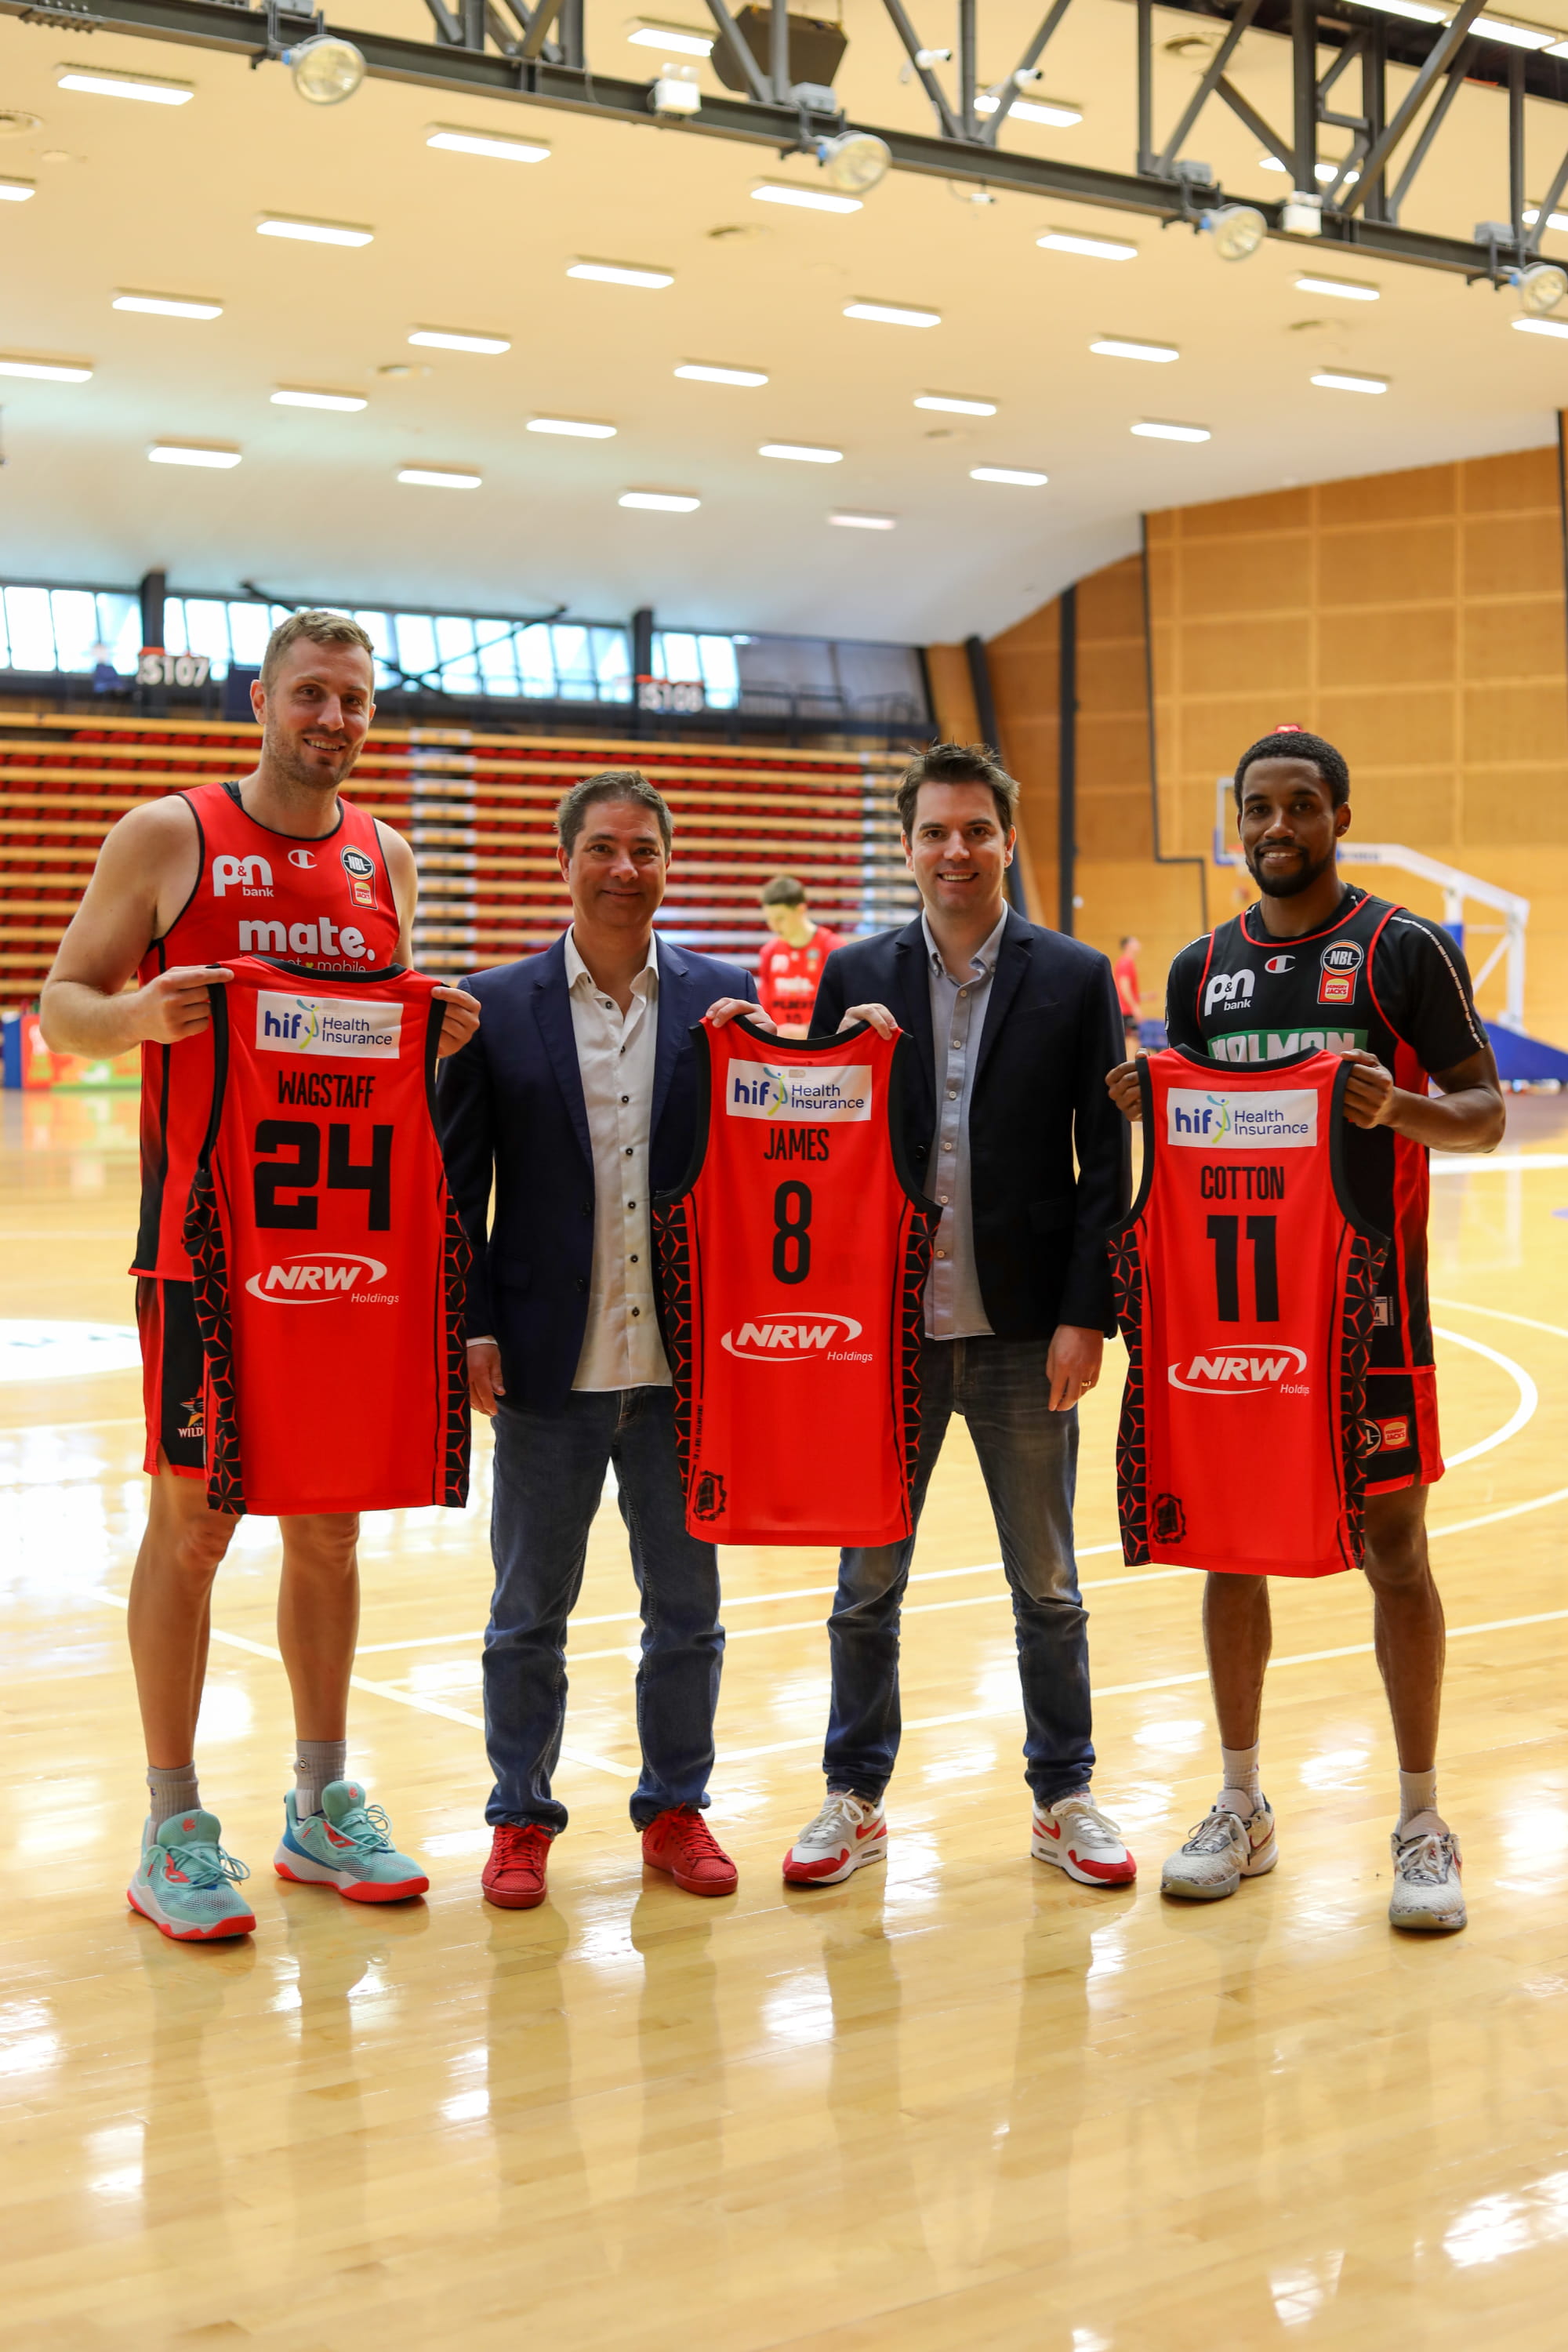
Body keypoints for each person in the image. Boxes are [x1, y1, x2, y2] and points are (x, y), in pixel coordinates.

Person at [39, 610, 481, 1940]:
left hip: (346, 1257)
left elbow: (370, 1047)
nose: (334, 720)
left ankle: (320, 1803)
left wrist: (438, 1029)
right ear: (261, 700)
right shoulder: (168, 835)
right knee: (192, 1527)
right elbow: (61, 1001)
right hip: (203, 1252)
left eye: (354, 701)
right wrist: (133, 1015)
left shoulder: (384, 857)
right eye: (311, 696)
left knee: (332, 1525)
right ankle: (171, 1823)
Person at [1107, 725, 1504, 1933]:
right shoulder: (1199, 970)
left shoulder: (1404, 951)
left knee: (1397, 1552)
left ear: (1338, 815)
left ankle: (1423, 1820)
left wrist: (1409, 1109)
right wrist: (1147, 1099)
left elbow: (1485, 1114)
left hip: (1375, 1315)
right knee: (1231, 1542)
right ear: (1236, 821)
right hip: (1242, 1315)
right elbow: (1197, 1131)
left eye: (1299, 806)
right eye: (1256, 808)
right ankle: (1242, 1803)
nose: (1275, 827)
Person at [780, 741, 1137, 1890]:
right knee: (864, 1584)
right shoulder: (852, 972)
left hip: (1030, 1328)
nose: (956, 851)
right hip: (887, 1340)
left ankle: (1064, 1791)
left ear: (1006, 840)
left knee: (1047, 1582)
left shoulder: (1077, 977)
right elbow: (823, 1150)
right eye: (934, 832)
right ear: (907, 847)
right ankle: (853, 1794)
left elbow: (1104, 1161)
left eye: (976, 830)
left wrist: (1089, 1311)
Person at [437, 769, 760, 1912]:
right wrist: (469, 1322)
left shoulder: (730, 997)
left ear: (670, 864)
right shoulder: (495, 1003)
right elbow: (456, 1185)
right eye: (605, 848)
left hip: (688, 1372)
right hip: (542, 1365)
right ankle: (519, 1818)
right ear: (564, 859)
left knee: (688, 1613)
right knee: (527, 1612)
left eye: (647, 851)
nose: (627, 869)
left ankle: (676, 1808)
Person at [756, 874, 844, 1036]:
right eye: (769, 919)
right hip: (779, 1050)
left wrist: (806, 1031)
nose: (773, 926)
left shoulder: (832, 948)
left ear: (800, 909)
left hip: (821, 1046)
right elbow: (764, 1008)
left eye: (780, 918)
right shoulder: (769, 952)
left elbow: (844, 1007)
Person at [1112, 934, 1142, 1050]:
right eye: (1135, 942)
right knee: (1132, 1041)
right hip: (1126, 1011)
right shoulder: (1126, 963)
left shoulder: (1127, 962)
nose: (1139, 945)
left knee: (1133, 1041)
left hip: (1125, 1009)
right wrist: (1135, 1007)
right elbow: (1124, 988)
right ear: (1127, 946)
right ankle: (1130, 1067)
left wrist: (1144, 997)